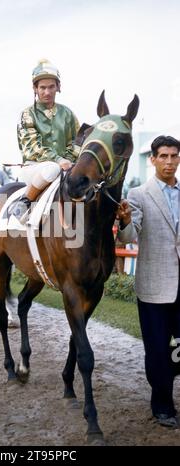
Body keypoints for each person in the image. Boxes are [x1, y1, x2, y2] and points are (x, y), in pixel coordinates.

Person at [117, 135, 180, 428]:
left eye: (174, 156)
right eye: (163, 156)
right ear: (152, 159)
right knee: (157, 351)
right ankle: (163, 406)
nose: (169, 162)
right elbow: (129, 237)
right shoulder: (139, 194)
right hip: (155, 286)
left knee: (176, 350)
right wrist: (127, 221)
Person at [11, 59, 80, 222]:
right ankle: (24, 202)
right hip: (35, 168)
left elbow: (77, 142)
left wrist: (68, 161)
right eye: (42, 87)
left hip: (65, 167)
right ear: (35, 89)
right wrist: (58, 160)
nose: (47, 92)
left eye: (51, 87)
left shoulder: (68, 114)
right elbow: (32, 147)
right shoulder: (27, 114)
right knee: (51, 169)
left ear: (58, 87)